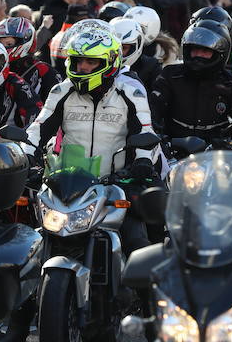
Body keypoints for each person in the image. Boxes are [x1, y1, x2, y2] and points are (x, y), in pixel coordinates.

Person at [23, 24, 159, 253]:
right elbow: (38, 129)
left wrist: (142, 162)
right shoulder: (61, 91)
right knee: (31, 242)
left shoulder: (130, 93)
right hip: (67, 186)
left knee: (138, 245)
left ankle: (148, 288)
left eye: (90, 62)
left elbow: (145, 133)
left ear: (110, 62)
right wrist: (25, 155)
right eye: (78, 61)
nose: (82, 67)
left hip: (114, 185)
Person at [150, 19, 232, 148]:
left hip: (217, 154)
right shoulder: (170, 75)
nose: (198, 55)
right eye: (195, 50)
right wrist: (152, 133)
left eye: (205, 51)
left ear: (220, 53)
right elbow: (153, 107)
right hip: (172, 151)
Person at [0, 17, 59, 103]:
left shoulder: (43, 70)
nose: (2, 48)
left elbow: (55, 105)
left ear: (24, 41)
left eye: (8, 43)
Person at [111, 17, 161, 94]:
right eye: (113, 47)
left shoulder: (151, 67)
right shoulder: (100, 65)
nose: (118, 52)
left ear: (136, 47)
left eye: (123, 48)